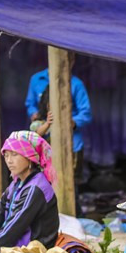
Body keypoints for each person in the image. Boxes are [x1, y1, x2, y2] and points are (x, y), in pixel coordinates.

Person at [25, 54, 92, 182]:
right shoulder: (36, 79)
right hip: (44, 150)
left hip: (72, 144)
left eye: (69, 59)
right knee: (45, 183)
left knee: (71, 184)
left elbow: (86, 113)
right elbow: (30, 105)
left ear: (73, 61)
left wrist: (71, 122)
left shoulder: (76, 84)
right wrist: (36, 115)